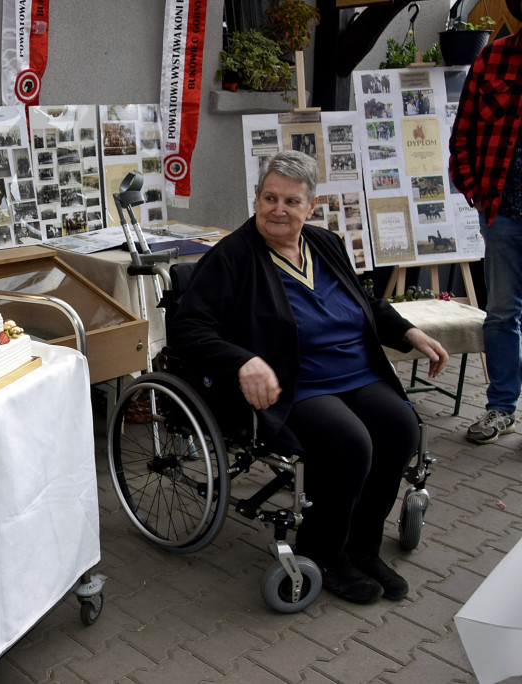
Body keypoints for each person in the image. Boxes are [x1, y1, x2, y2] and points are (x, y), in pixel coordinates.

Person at [168, 150, 448, 605]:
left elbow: (367, 303)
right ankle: (325, 555)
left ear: (310, 206)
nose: (279, 209)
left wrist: (410, 331)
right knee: (352, 443)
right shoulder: (232, 258)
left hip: (358, 372)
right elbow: (188, 328)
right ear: (256, 198)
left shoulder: (325, 244)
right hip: (296, 384)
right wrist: (243, 360)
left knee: (400, 429)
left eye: (291, 201)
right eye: (270, 198)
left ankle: (363, 546)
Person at [449, 0, 522, 445]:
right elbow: (464, 131)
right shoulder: (494, 56)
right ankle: (500, 408)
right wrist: (473, 187)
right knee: (501, 313)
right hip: (502, 212)